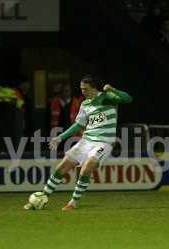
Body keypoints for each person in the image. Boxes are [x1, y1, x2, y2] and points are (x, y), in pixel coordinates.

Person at [26, 75, 132, 211]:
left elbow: (128, 99)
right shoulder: (85, 104)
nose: (83, 91)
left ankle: (73, 203)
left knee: (86, 168)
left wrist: (113, 89)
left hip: (103, 143)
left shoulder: (107, 97)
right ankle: (42, 196)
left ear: (93, 87)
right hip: (86, 141)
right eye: (81, 89)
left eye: (85, 89)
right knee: (62, 167)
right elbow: (78, 125)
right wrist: (60, 137)